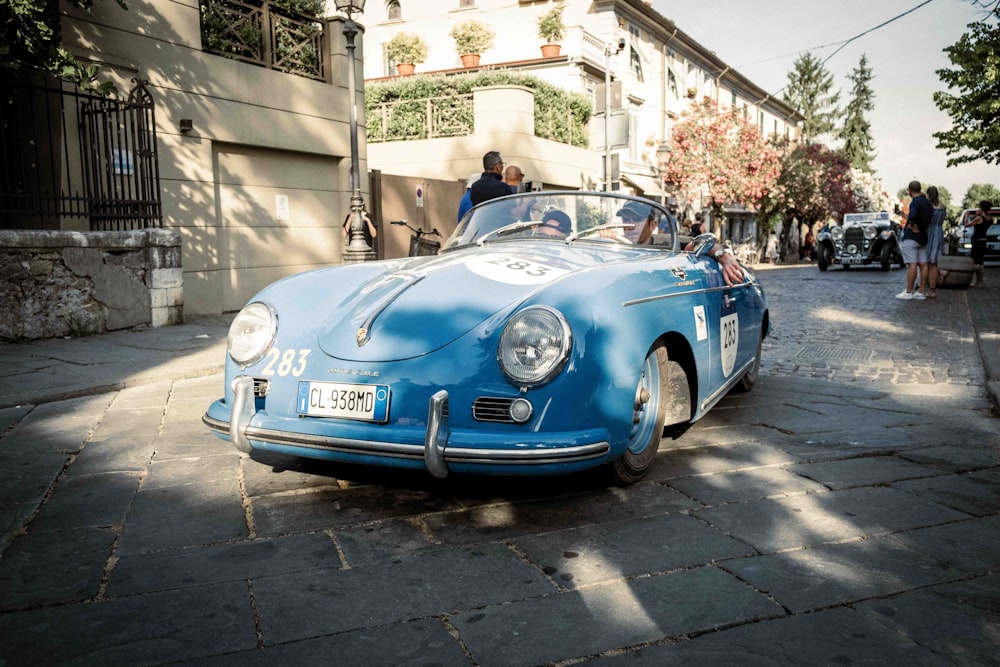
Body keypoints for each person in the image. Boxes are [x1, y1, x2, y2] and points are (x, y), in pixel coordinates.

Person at [896, 180, 931, 300]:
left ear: (910, 190)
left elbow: (913, 216)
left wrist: (912, 225)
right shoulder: (927, 202)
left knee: (912, 265)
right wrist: (903, 215)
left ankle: (909, 291)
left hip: (912, 237)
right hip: (923, 236)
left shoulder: (915, 202)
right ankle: (921, 291)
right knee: (924, 264)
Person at [964, 199, 993, 287]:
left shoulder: (979, 218)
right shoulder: (989, 218)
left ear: (982, 208)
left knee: (976, 262)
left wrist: (967, 215)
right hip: (984, 240)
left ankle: (978, 280)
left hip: (977, 241)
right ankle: (979, 281)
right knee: (981, 261)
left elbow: (966, 224)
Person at [924, 185, 947, 297]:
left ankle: (929, 287)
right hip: (939, 232)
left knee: (928, 263)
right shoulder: (942, 206)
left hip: (930, 233)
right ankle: (933, 287)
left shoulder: (928, 207)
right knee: (934, 262)